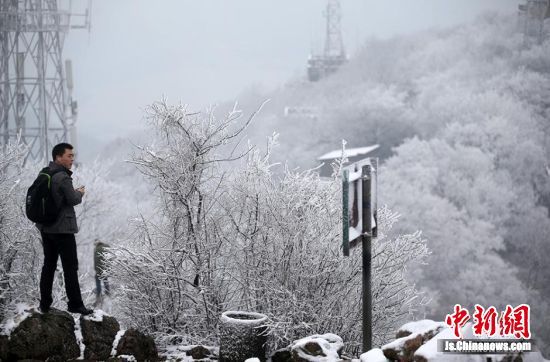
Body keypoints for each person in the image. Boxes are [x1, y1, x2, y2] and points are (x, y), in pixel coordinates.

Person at [37, 143, 93, 315]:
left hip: (47, 229)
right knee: (70, 267)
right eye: (69, 156)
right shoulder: (62, 176)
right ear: (58, 157)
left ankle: (44, 303)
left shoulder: (45, 173)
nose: (72, 159)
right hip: (63, 230)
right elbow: (72, 199)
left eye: (72, 156)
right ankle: (75, 304)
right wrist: (80, 193)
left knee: (49, 265)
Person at [93, 239, 110, 307]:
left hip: (99, 268)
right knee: (105, 279)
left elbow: (96, 260)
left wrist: (96, 269)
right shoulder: (106, 246)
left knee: (97, 280)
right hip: (106, 268)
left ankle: (98, 295)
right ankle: (107, 292)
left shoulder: (97, 249)